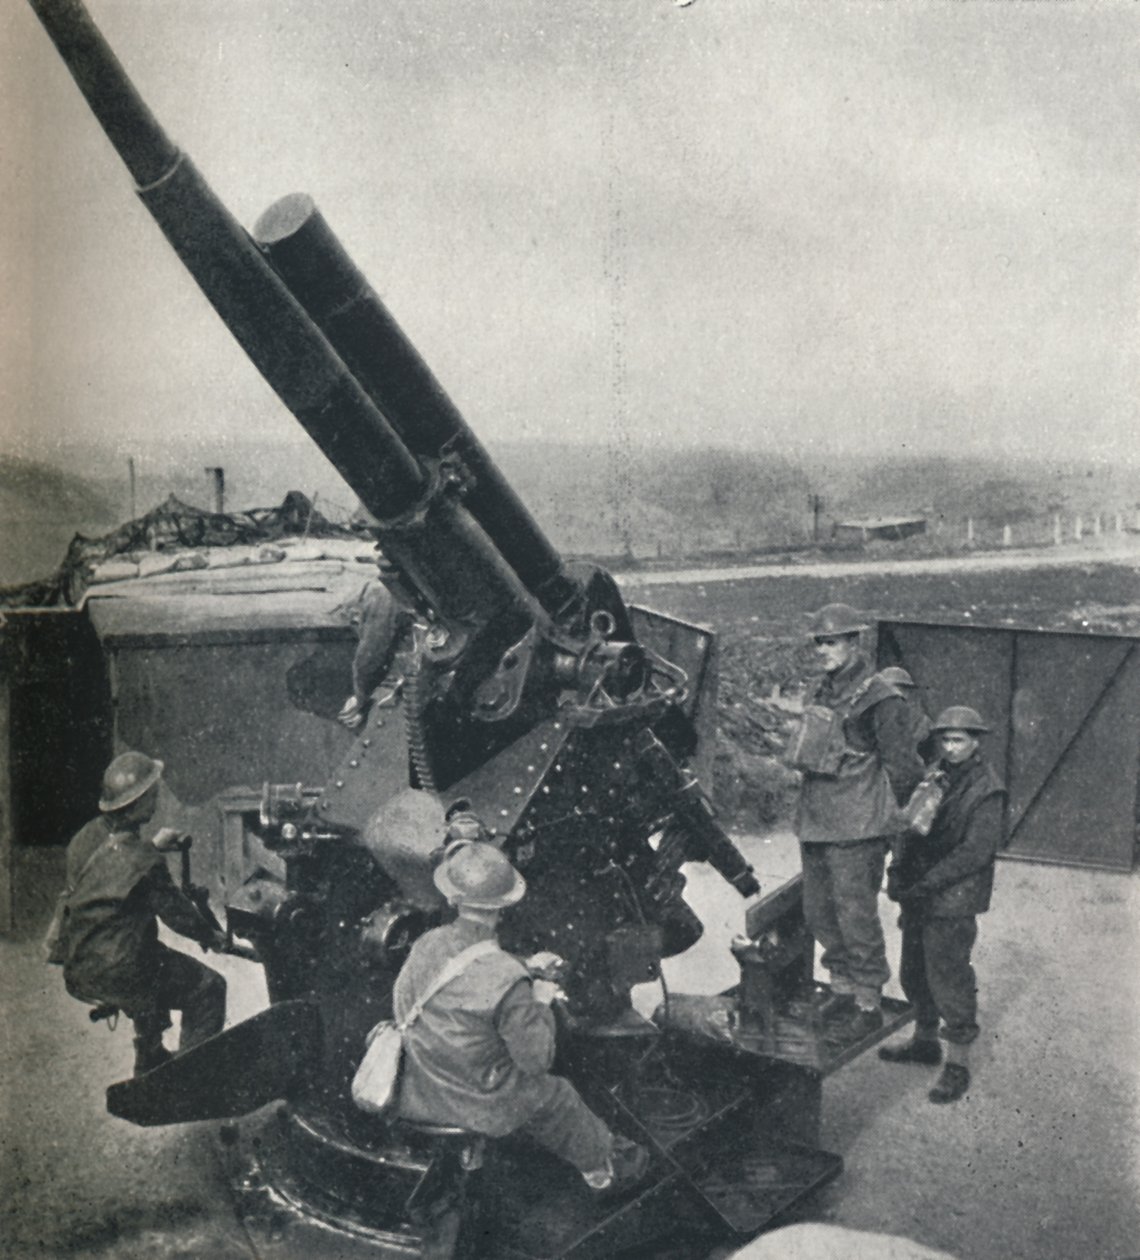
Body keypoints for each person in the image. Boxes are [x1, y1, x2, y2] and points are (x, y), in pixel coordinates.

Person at [392, 824, 649, 1195]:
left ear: (454, 898)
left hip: (417, 1079)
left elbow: (466, 968)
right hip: (466, 1098)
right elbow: (536, 1060)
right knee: (555, 1094)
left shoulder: (427, 943)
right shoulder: (508, 981)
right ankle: (604, 1169)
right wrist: (540, 1001)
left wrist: (524, 966)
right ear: (502, 906)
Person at [791, 604, 924, 1038]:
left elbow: (903, 768)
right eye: (820, 643)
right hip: (817, 820)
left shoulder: (881, 697)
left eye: (831, 642)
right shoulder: (824, 690)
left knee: (855, 914)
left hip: (858, 826)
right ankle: (841, 989)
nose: (822, 651)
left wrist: (894, 830)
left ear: (854, 642)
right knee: (818, 911)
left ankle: (867, 1000)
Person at [52, 751, 227, 1077]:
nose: (157, 800)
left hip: (80, 962)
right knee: (209, 987)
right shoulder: (145, 862)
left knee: (147, 954)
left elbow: (111, 872)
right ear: (140, 802)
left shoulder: (84, 838)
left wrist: (152, 846)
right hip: (123, 968)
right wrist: (213, 936)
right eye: (153, 795)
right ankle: (188, 1082)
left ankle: (150, 1057)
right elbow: (176, 914)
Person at [880, 706, 1005, 1104]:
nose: (950, 748)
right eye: (945, 740)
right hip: (921, 891)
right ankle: (924, 1041)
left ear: (975, 741)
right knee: (913, 972)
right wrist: (899, 871)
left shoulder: (987, 789)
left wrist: (926, 884)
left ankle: (958, 1065)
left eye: (959, 740)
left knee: (949, 978)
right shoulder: (935, 775)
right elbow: (910, 826)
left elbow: (975, 853)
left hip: (953, 897)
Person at [877, 665, 935, 764]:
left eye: (900, 690)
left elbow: (933, 757)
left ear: (908, 692)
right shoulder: (870, 718)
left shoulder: (922, 723)